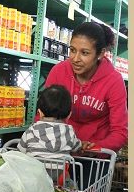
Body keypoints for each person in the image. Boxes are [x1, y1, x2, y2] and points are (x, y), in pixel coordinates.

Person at [42, 21, 127, 152]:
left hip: (96, 158)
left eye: (85, 53)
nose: (76, 59)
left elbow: (120, 132)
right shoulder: (58, 72)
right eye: (72, 50)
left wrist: (94, 148)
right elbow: (42, 115)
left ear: (100, 54)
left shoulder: (114, 81)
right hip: (60, 151)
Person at [18, 85, 80, 162]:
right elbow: (76, 148)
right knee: (66, 171)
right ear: (69, 115)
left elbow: (21, 151)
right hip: (59, 173)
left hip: (33, 172)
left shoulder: (31, 130)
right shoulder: (69, 131)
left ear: (40, 112)